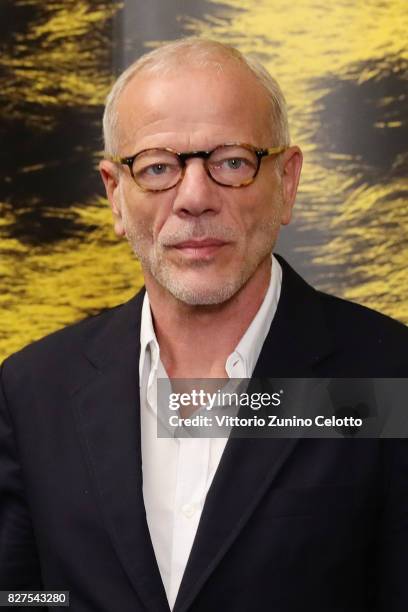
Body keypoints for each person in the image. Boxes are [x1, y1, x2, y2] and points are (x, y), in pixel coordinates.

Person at [1, 38, 407, 612]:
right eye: (158, 167)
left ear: (286, 181)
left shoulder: (390, 376)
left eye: (232, 162)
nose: (195, 197)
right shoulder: (32, 389)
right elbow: (22, 595)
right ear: (115, 195)